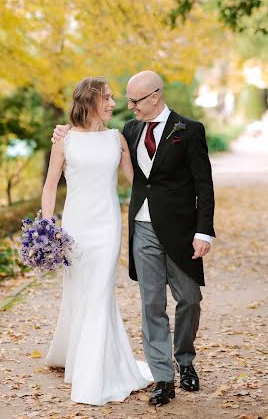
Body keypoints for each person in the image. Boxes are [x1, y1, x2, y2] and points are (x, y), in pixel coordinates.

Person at [53, 70, 215, 407]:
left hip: (180, 230)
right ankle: (163, 378)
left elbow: (203, 184)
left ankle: (184, 360)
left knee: (189, 299)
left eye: (135, 100)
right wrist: (66, 133)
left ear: (155, 96)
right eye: (124, 99)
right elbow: (98, 150)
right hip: (141, 229)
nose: (128, 106)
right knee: (151, 303)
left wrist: (203, 230)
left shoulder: (190, 131)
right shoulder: (128, 131)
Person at [41, 76, 153, 406]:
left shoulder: (116, 139)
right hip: (75, 228)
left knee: (101, 292)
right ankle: (78, 359)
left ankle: (93, 376)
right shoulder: (64, 139)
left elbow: (137, 183)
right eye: (107, 98)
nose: (113, 104)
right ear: (89, 100)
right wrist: (48, 229)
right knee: (81, 293)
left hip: (107, 227)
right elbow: (49, 188)